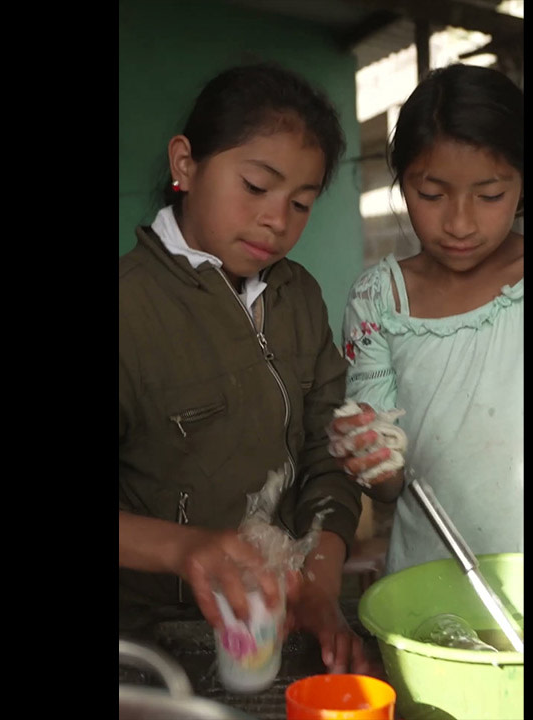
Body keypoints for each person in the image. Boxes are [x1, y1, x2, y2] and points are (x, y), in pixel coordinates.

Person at [118, 63, 383, 675]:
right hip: (152, 641)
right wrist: (186, 549)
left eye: (301, 203)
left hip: (281, 621)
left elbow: (328, 448)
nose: (277, 219)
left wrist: (318, 580)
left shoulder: (299, 297)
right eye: (256, 187)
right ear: (185, 164)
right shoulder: (131, 310)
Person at [328, 63, 524, 576]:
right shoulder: (378, 302)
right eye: (431, 195)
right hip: (430, 581)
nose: (459, 223)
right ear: (401, 181)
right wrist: (368, 453)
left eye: (490, 195)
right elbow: (390, 487)